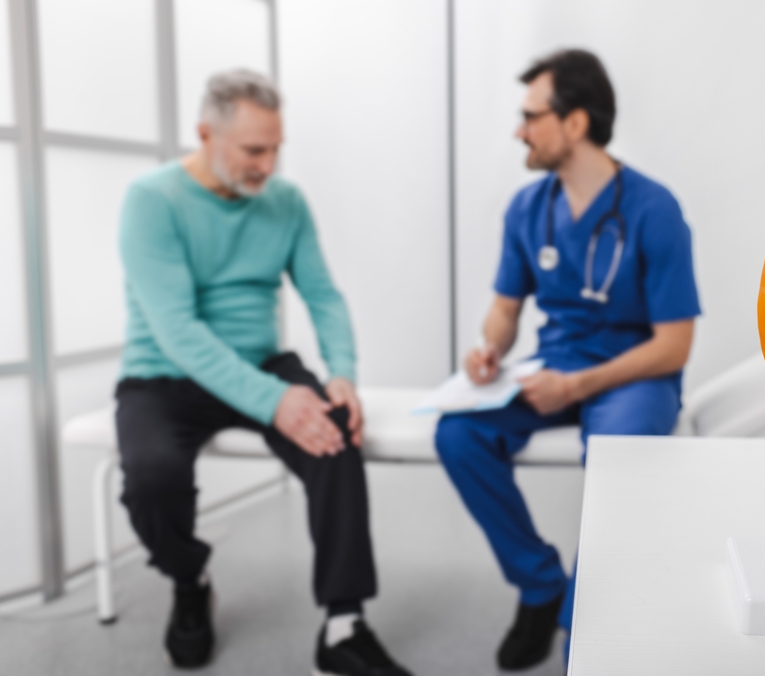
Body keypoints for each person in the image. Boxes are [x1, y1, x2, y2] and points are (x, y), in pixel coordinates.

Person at [116, 69, 411, 676]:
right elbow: (178, 331)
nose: (268, 165)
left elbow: (323, 296)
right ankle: (189, 577)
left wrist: (342, 376)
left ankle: (343, 625)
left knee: (335, 438)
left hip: (258, 360)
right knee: (151, 477)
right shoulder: (151, 201)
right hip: (166, 372)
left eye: (276, 148)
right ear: (205, 134)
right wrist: (276, 401)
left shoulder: (286, 202)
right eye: (254, 150)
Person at [435, 49, 701, 671]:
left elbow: (674, 344)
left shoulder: (654, 210)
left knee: (615, 464)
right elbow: (505, 308)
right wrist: (488, 350)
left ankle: (585, 637)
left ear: (574, 123)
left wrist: (579, 382)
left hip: (633, 374)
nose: (518, 130)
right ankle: (540, 585)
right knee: (459, 434)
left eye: (531, 116)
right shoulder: (528, 208)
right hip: (552, 366)